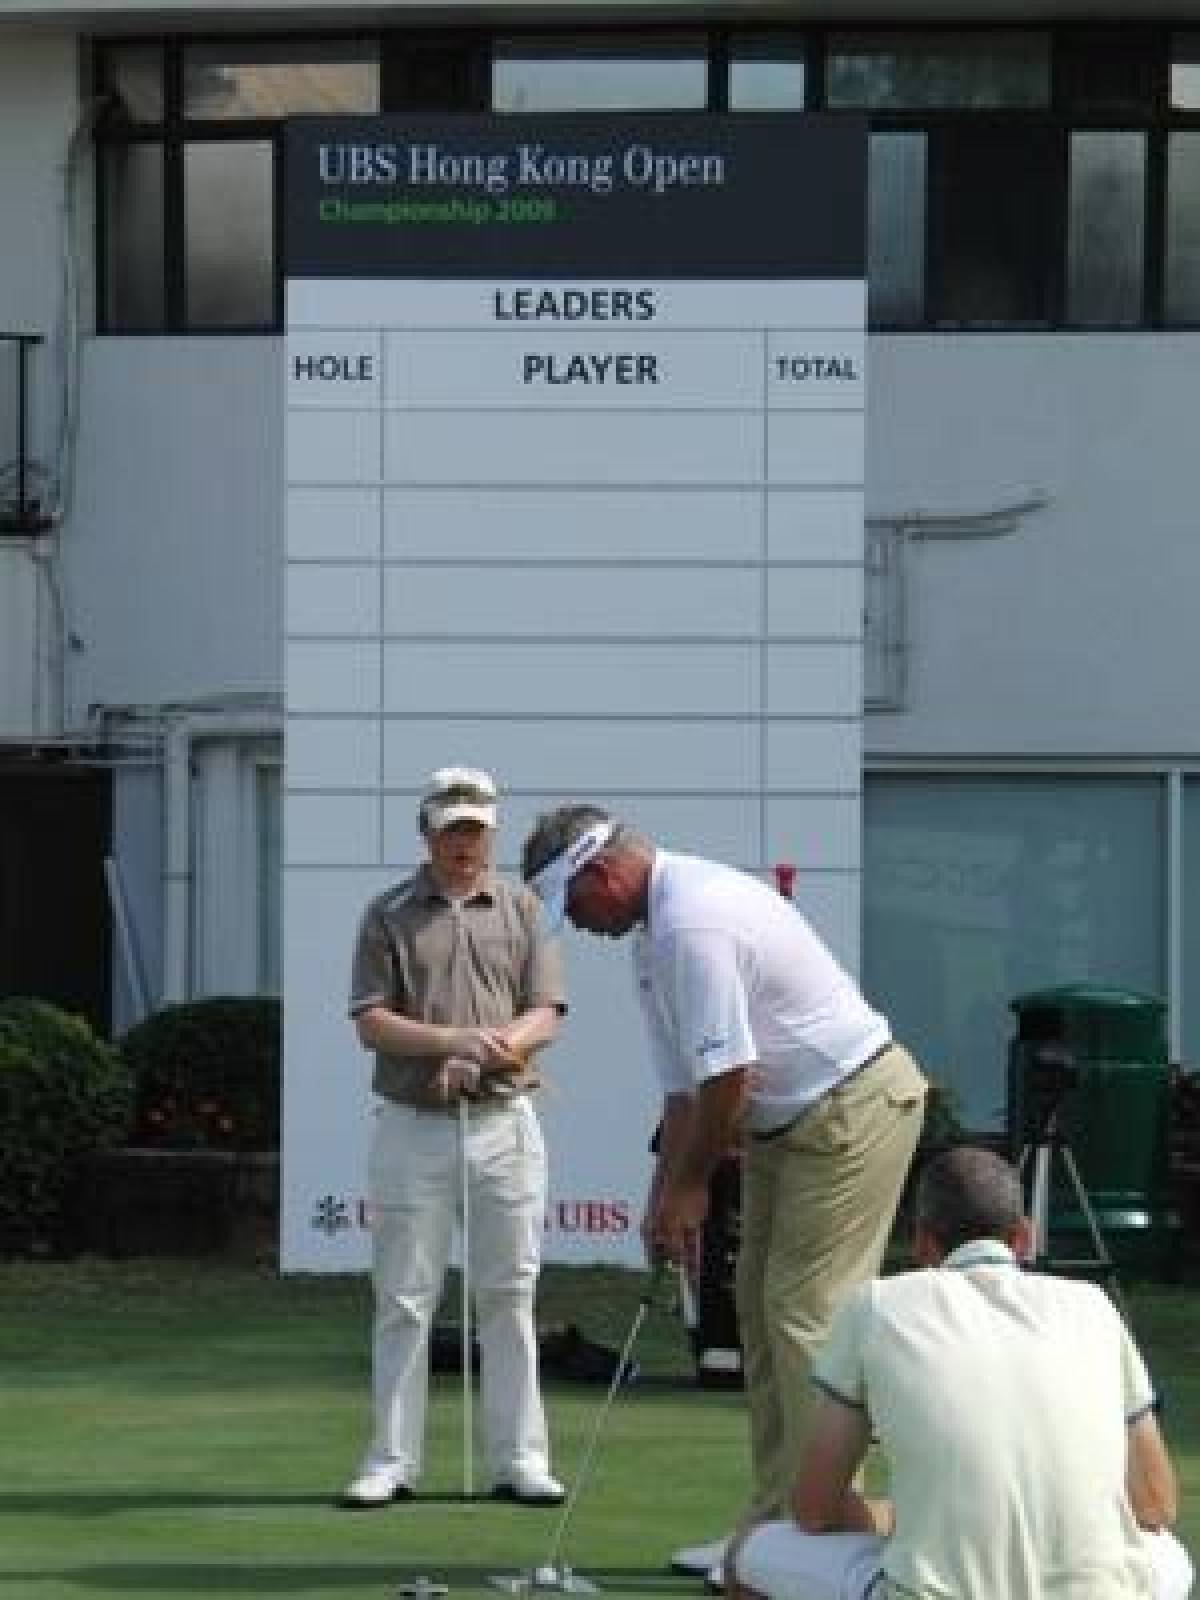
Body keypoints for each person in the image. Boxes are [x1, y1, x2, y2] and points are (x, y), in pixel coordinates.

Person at [520, 806, 927, 1576]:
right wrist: (662, 1191)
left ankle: (838, 1538)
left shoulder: (692, 925)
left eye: (576, 905)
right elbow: (684, 1094)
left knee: (806, 1314)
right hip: (791, 1119)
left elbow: (727, 1077)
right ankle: (779, 1526)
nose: (579, 924)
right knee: (755, 1307)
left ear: (603, 875)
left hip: (853, 1103)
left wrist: (694, 1186)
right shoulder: (651, 942)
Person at [731, 1145, 1195, 1600]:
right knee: (1169, 1555)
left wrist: (891, 1518)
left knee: (749, 1553)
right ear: (1024, 1237)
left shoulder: (877, 1305)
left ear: (922, 1242)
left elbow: (813, 1510)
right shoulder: (1093, 1305)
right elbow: (1156, 1503)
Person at [342, 766, 568, 1508]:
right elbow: (372, 1019)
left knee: (509, 1294)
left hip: (506, 1123)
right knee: (405, 1299)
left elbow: (545, 1013)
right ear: (428, 832)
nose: (463, 844)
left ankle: (520, 1459)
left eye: (474, 830)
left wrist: (480, 1053)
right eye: (450, 830)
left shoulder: (526, 909)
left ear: (491, 832)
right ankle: (391, 1460)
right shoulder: (388, 914)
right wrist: (456, 1043)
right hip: (413, 1128)